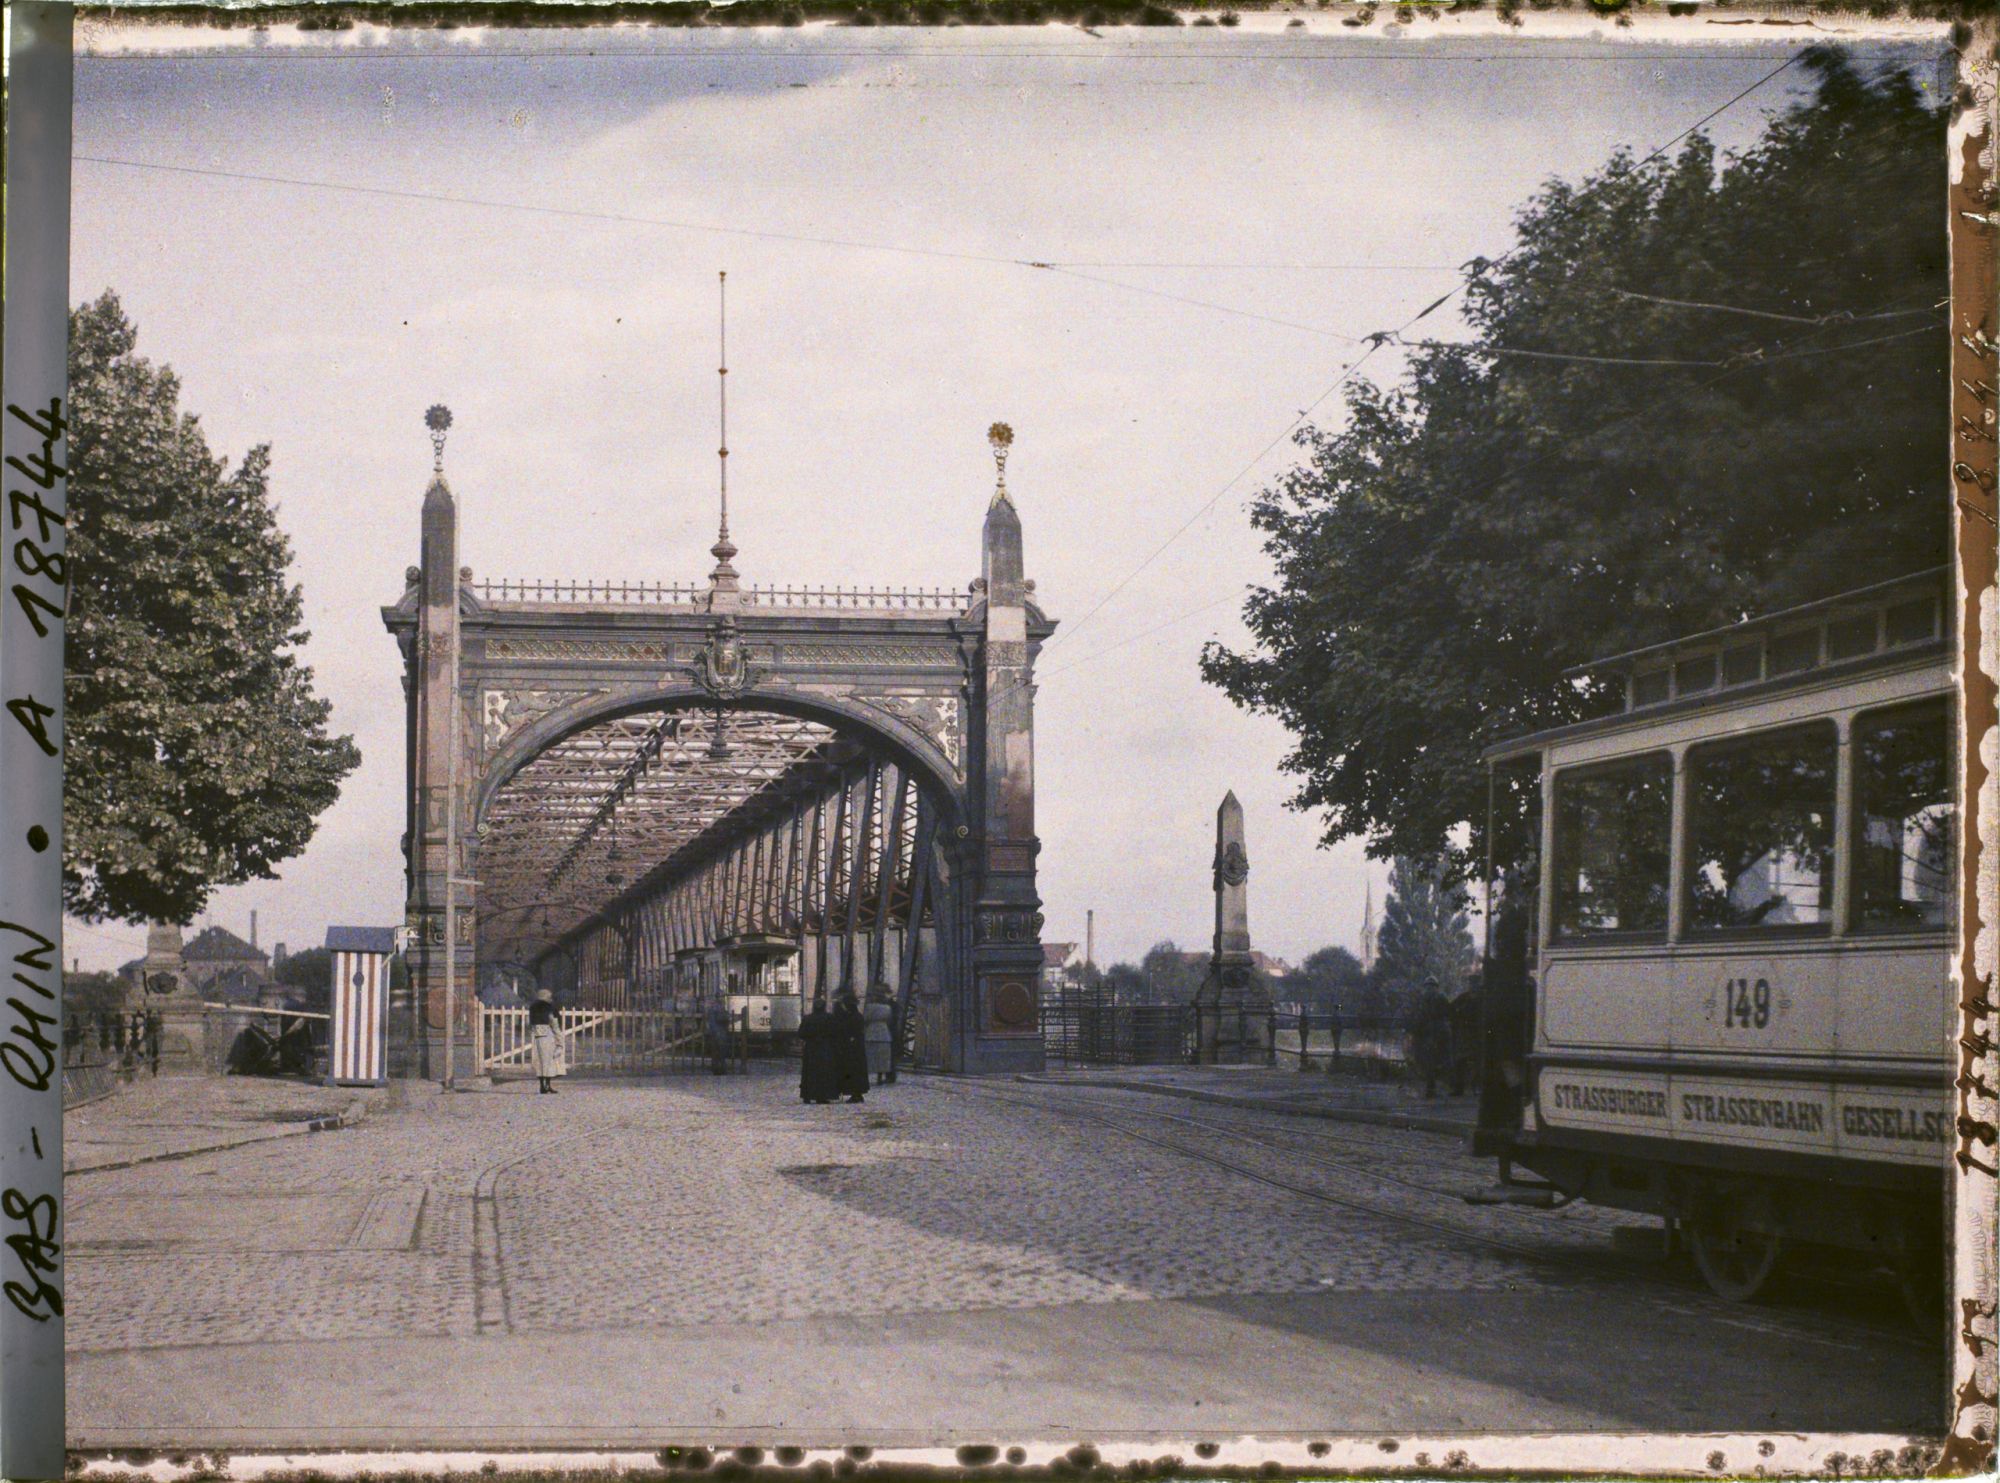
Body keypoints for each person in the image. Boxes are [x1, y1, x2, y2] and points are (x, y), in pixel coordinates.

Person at [1410, 976, 1455, 1100]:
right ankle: (1441, 1087)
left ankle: (1436, 1088)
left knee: (1433, 1061)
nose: (1429, 989)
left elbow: (1422, 1016)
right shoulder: (1439, 997)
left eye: (1431, 986)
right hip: (1438, 1032)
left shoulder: (1428, 999)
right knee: (1440, 1060)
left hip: (1434, 1033)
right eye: (1428, 987)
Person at [798, 995, 838, 1105]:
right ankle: (822, 1096)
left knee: (809, 1072)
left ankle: (807, 1095)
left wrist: (810, 1038)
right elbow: (835, 1032)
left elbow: (801, 1033)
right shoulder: (829, 1018)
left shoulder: (807, 1018)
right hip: (825, 1048)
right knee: (824, 1072)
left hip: (811, 1048)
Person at [832, 989, 870, 1104]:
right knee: (857, 1071)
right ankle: (857, 1093)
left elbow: (845, 1030)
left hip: (851, 1049)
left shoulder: (850, 1017)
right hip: (857, 1048)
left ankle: (855, 1093)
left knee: (852, 1071)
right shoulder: (858, 1016)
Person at [529, 987, 564, 1094]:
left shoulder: (533, 1008)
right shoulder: (549, 1008)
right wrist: (560, 1040)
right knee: (549, 1062)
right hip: (548, 1036)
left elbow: (531, 1025)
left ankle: (542, 1086)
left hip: (537, 1037)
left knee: (540, 1062)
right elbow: (554, 1024)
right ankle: (547, 1085)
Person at [863, 986, 895, 1087]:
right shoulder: (887, 1008)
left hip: (871, 1032)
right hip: (884, 1033)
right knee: (882, 1058)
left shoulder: (869, 1007)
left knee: (870, 1056)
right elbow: (889, 1020)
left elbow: (866, 1019)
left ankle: (867, 1077)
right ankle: (879, 1078)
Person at [705, 996, 734, 1076]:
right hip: (720, 1032)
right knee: (721, 1052)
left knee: (715, 1052)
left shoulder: (712, 1008)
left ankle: (716, 1069)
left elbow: (711, 1021)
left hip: (715, 1032)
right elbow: (723, 1019)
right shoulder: (720, 1008)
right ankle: (722, 1069)